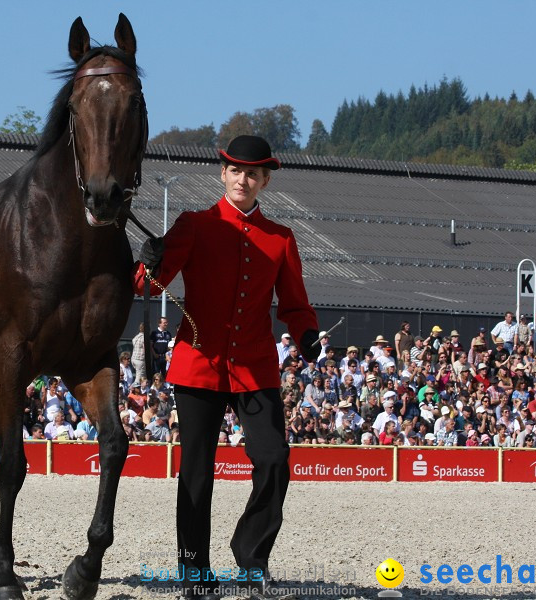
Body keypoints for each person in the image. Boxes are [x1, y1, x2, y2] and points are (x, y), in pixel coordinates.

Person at [134, 135, 318, 598]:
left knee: (274, 460)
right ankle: (193, 570)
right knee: (196, 470)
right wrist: (147, 261)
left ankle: (251, 558)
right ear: (223, 173)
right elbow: (150, 286)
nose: (243, 178)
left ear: (265, 180)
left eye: (253, 173)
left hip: (255, 366)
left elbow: (295, 305)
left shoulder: (281, 238)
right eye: (236, 170)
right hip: (197, 364)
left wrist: (307, 335)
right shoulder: (194, 224)